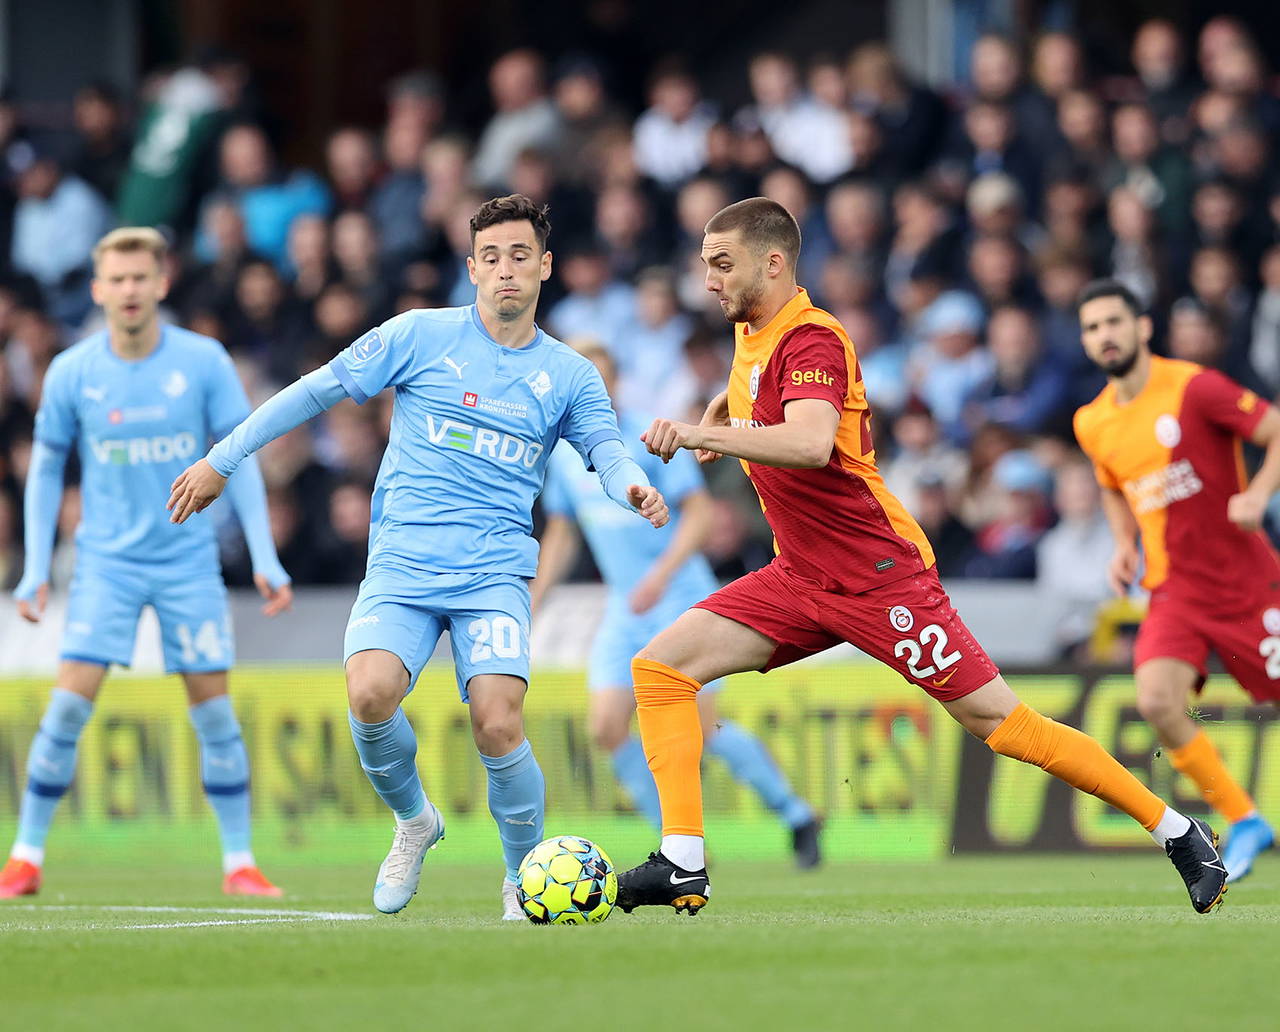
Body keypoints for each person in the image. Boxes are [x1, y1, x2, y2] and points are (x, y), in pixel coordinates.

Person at [612, 198, 1226, 916]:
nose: (708, 280)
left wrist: (702, 434)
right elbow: (768, 397)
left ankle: (1179, 832)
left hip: (879, 579)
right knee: (660, 670)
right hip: (800, 576)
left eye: (722, 264)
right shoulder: (754, 335)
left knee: (1003, 726)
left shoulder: (812, 340)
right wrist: (728, 409)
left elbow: (810, 442)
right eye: (705, 265)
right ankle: (683, 863)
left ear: (772, 263)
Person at [166, 195, 668, 920]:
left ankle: (521, 876)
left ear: (545, 266)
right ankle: (414, 821)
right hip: (403, 564)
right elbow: (315, 391)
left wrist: (633, 487)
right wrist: (223, 458)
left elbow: (606, 451)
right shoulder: (418, 335)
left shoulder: (569, 374)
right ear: (471, 268)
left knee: (498, 720)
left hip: (493, 572)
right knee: (369, 693)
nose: (505, 269)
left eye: (520, 255)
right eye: (491, 257)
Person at [1, 227, 293, 899]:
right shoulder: (73, 370)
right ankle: (25, 856)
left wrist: (265, 555)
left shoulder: (203, 360)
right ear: (98, 289)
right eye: (117, 279)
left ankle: (240, 863)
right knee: (65, 710)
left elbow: (239, 454)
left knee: (214, 716)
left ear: (161, 284)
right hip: (105, 565)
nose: (129, 289)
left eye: (140, 277)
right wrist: (36, 566)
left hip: (187, 561)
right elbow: (45, 468)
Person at [531, 338, 820, 867]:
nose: (594, 387)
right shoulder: (564, 453)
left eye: (602, 378)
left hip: (677, 596)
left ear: (615, 383)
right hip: (627, 607)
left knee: (704, 730)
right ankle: (677, 841)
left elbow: (701, 515)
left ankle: (796, 814)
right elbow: (563, 532)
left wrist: (661, 577)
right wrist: (535, 598)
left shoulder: (649, 435)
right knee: (606, 728)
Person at [1073, 278, 1280, 883]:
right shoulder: (1092, 422)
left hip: (1246, 586)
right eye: (1092, 328)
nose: (1104, 336)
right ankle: (1244, 820)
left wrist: (1258, 494)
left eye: (1113, 322)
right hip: (1174, 592)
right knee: (1156, 700)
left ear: (1142, 328)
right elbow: (1113, 485)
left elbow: (1274, 429)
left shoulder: (1194, 387)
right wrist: (1123, 544)